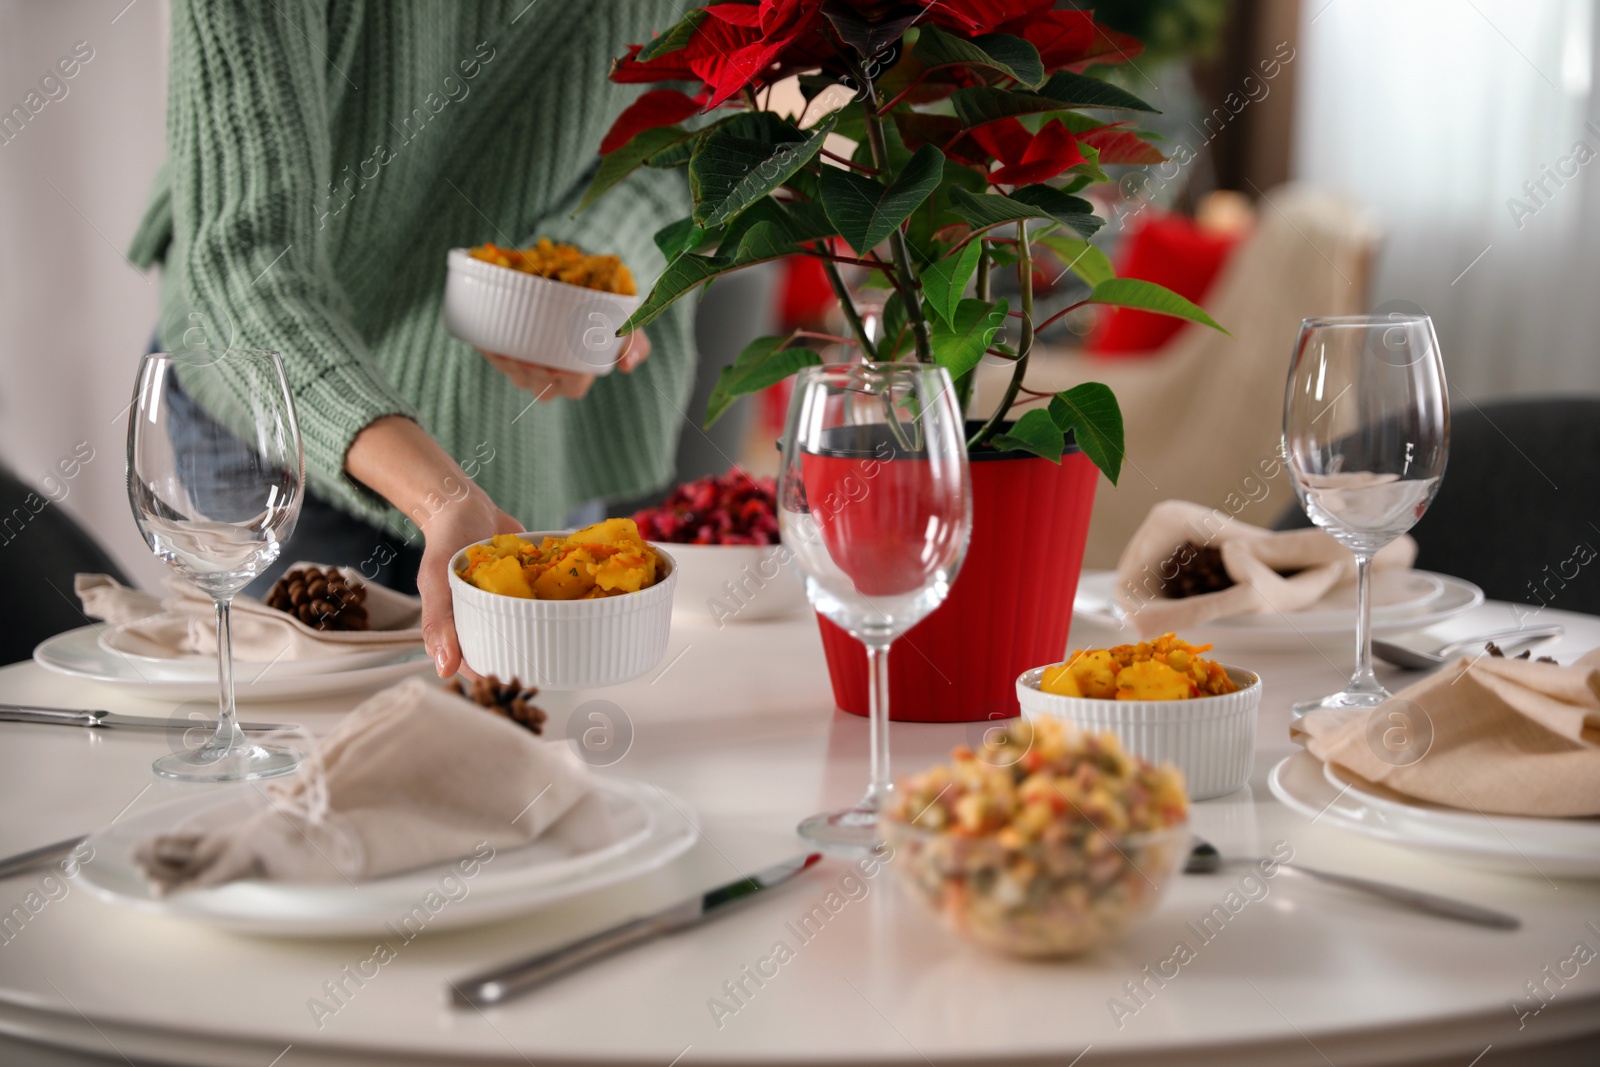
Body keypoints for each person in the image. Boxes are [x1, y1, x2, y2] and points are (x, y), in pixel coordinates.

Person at [127, 2, 696, 680]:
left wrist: (585, 276)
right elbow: (249, 260)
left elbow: (688, 138)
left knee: (534, 752)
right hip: (279, 395)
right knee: (313, 740)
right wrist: (441, 496)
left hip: (523, 419)